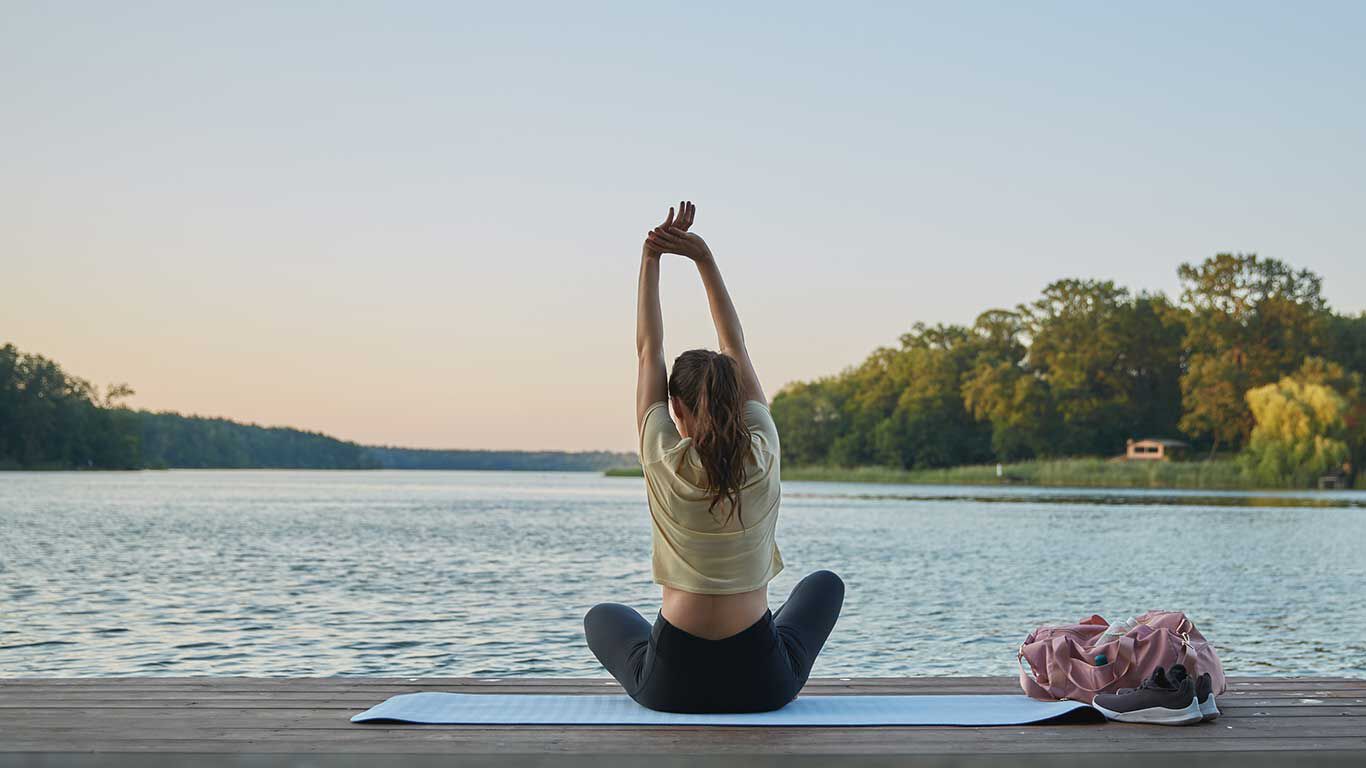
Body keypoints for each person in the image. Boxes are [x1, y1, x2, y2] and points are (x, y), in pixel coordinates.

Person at [583, 200, 845, 714]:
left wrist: (651, 257)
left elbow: (647, 350)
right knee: (824, 586)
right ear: (738, 403)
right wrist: (703, 258)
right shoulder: (764, 449)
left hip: (670, 686)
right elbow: (736, 346)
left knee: (603, 616)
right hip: (762, 684)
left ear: (674, 408)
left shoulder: (662, 456)